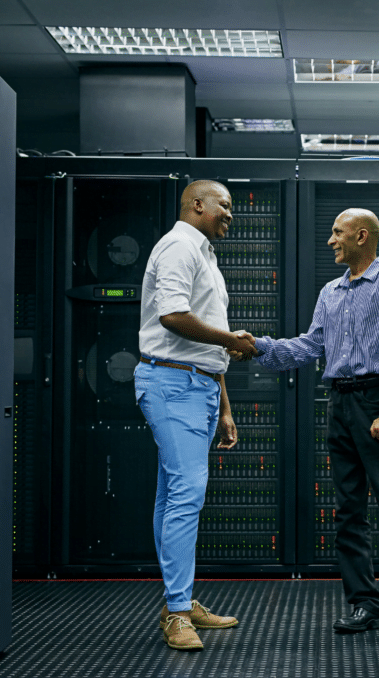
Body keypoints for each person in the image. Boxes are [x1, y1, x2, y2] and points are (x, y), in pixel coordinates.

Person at [237, 208, 379, 644]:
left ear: (361, 236)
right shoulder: (330, 291)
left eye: (337, 233)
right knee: (348, 513)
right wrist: (259, 347)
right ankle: (364, 604)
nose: (330, 240)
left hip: (374, 401)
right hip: (340, 403)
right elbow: (311, 346)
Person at [134, 179, 257, 651]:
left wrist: (224, 406)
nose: (230, 214)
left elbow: (206, 342)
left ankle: (177, 601)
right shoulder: (178, 248)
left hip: (197, 385)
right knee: (187, 491)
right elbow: (173, 317)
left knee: (173, 494)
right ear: (197, 205)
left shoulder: (205, 254)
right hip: (171, 383)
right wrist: (231, 341)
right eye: (224, 206)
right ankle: (178, 612)